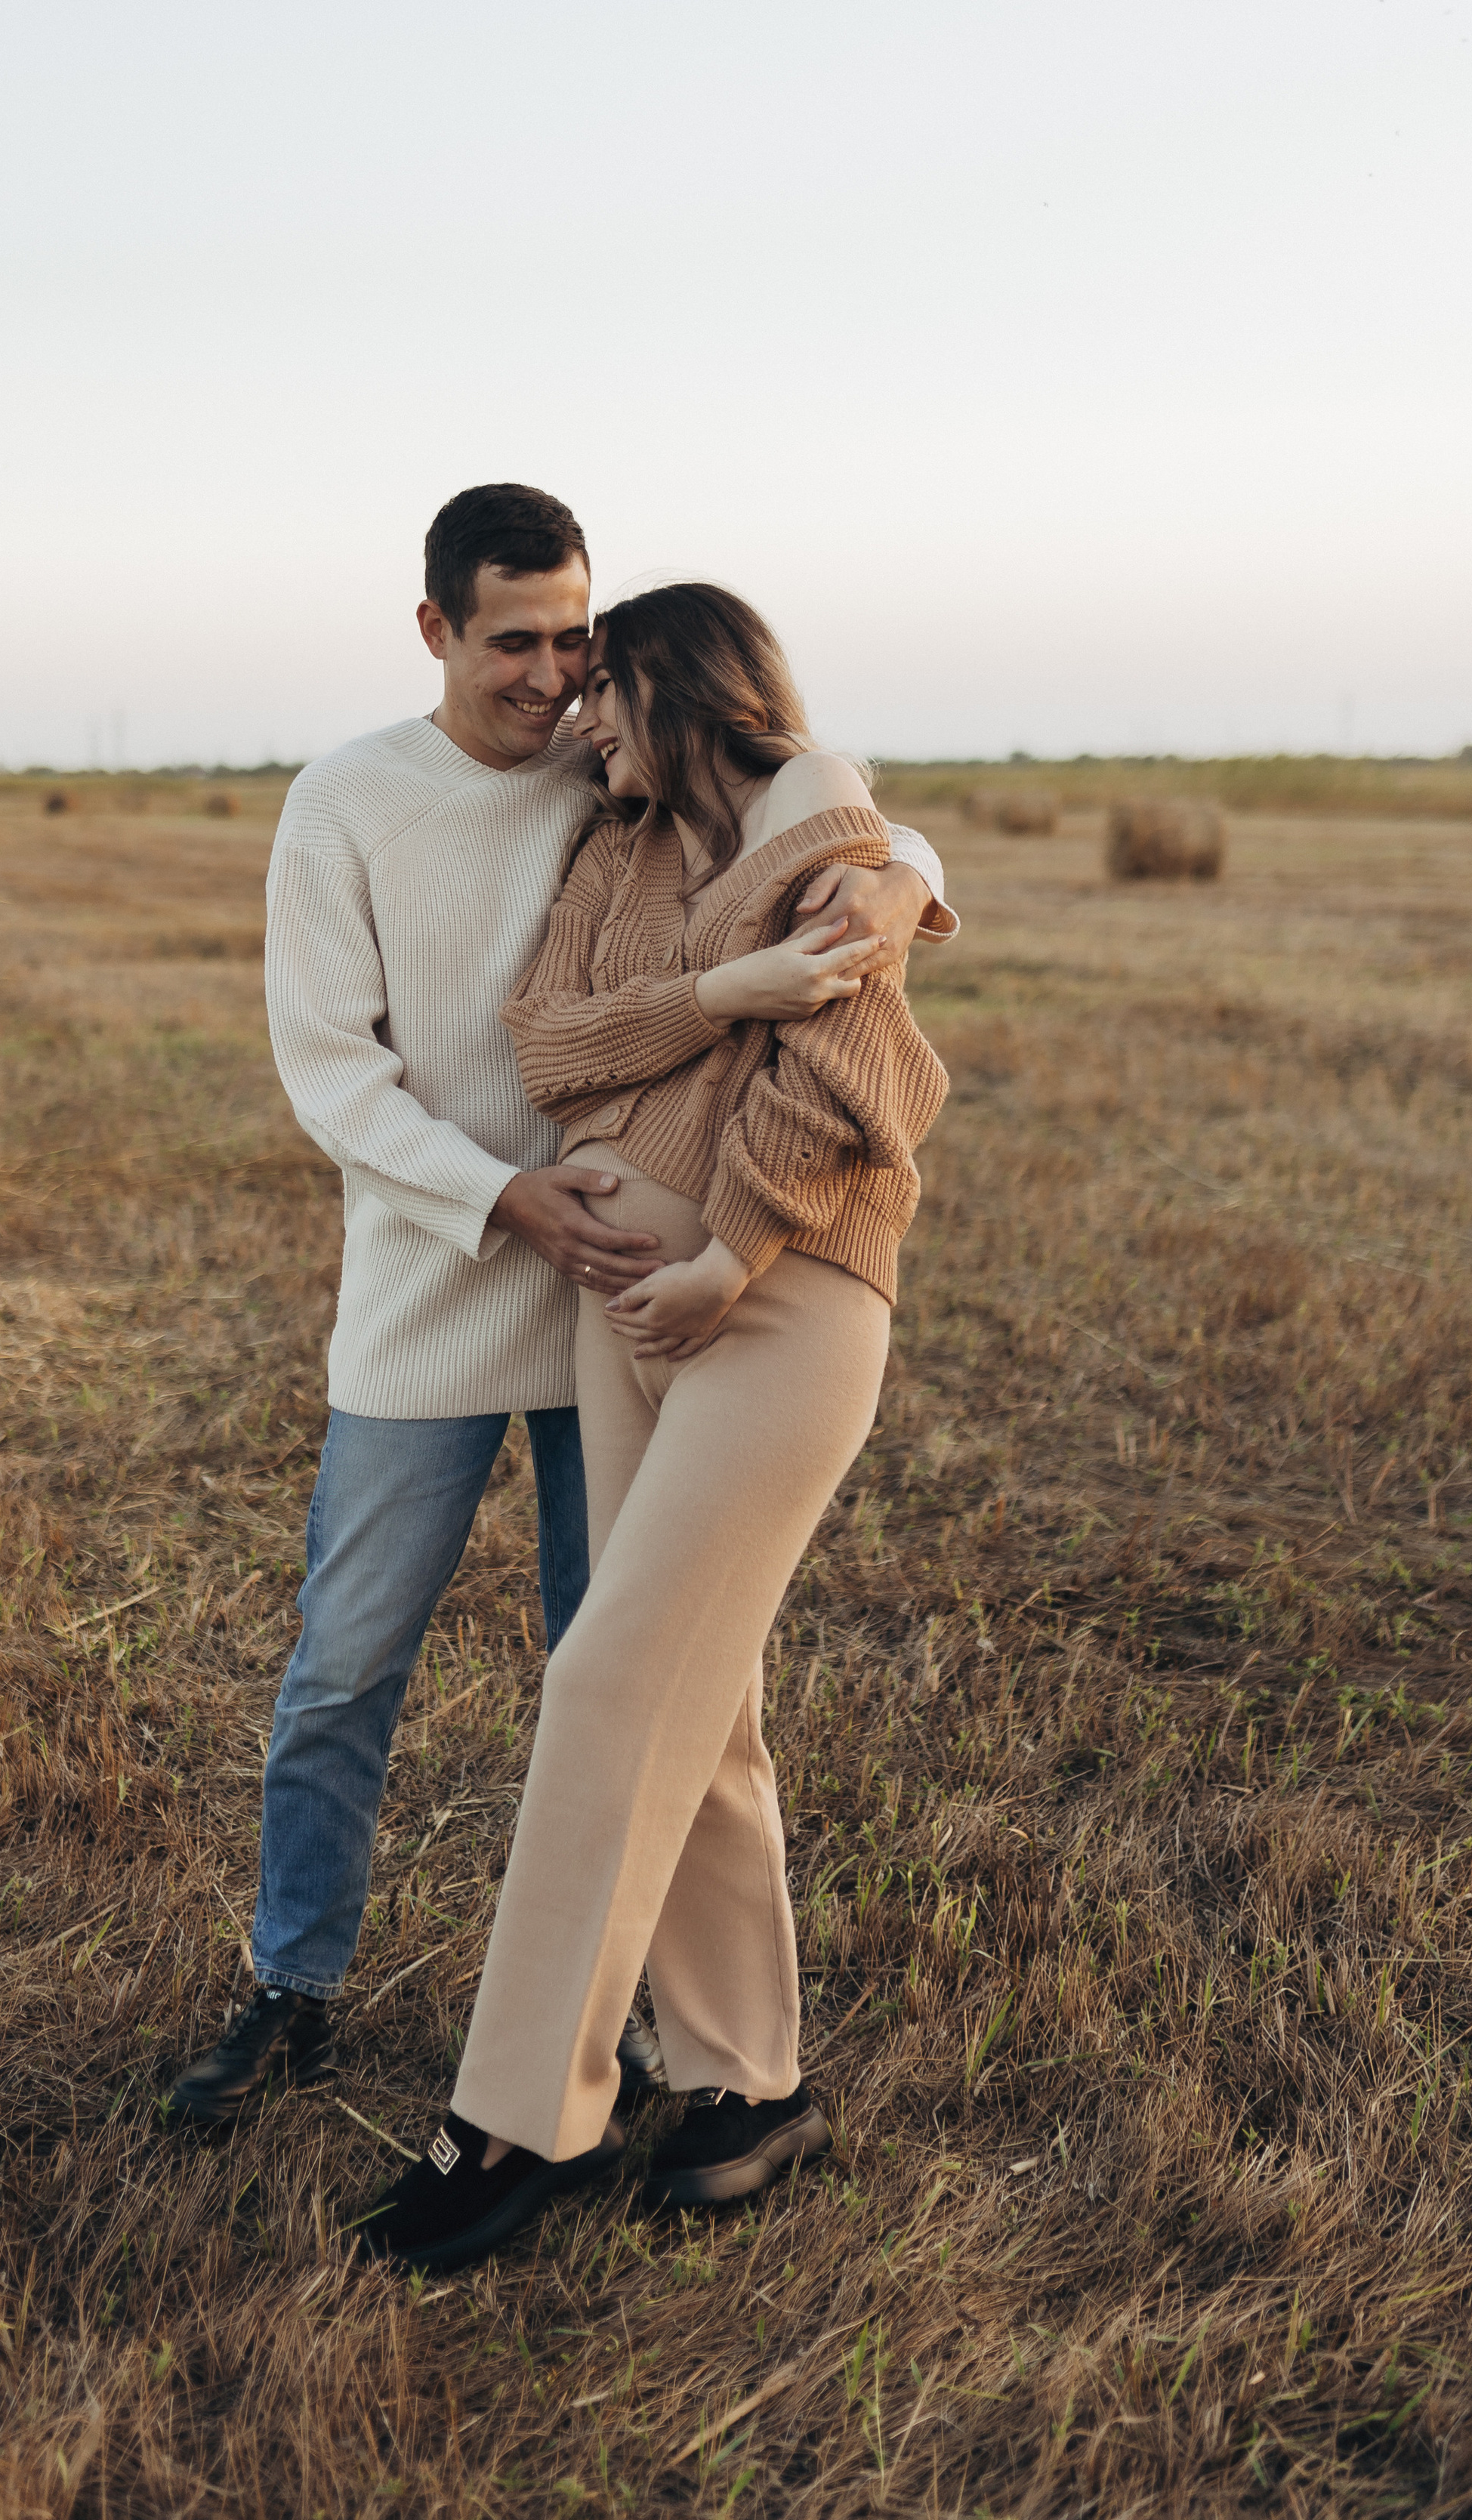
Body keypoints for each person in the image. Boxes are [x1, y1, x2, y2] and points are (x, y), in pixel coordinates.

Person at [168, 491, 955, 2123]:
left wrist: (907, 881)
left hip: (625, 1320)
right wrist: (498, 1195)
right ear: (435, 630)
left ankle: (669, 2031)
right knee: (343, 1669)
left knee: (649, 1679)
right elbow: (332, 1074)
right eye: (512, 643)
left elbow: (808, 798)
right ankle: (293, 1987)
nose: (547, 681)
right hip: (435, 1303)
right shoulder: (345, 804)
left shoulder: (614, 772)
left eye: (572, 645)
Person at [357, 579, 950, 2270]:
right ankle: (751, 2084)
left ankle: (519, 2115)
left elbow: (862, 1087)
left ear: (671, 689)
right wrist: (729, 984)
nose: (579, 721)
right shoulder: (613, 850)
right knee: (702, 1699)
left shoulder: (823, 824)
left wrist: (726, 1249)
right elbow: (549, 1045)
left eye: (603, 691)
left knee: (611, 1669)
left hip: (770, 1310)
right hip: (620, 1315)